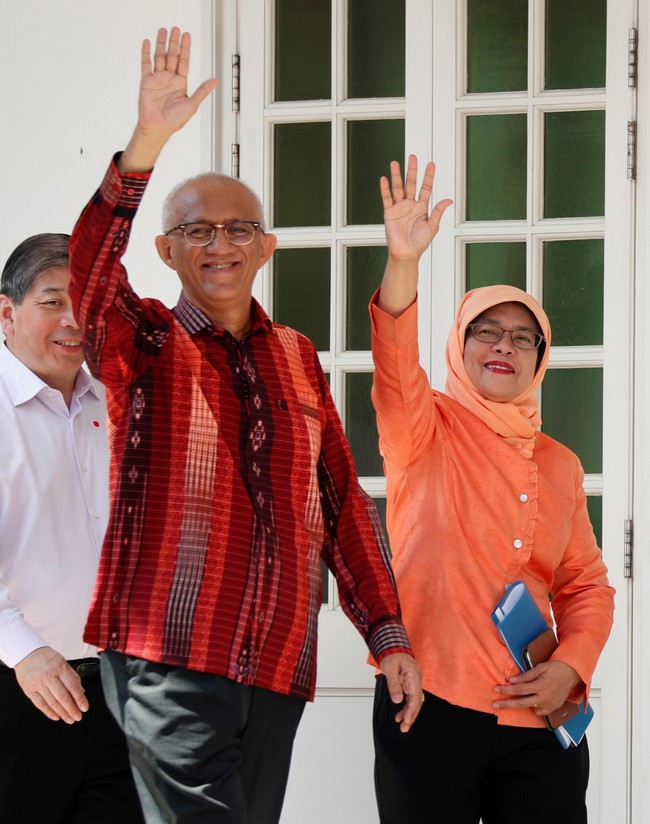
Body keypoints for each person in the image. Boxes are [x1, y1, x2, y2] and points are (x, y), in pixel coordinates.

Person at [68, 27, 422, 824]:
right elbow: (87, 281)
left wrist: (388, 632)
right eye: (198, 230)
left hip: (276, 665)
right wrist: (146, 143)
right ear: (166, 248)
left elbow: (340, 506)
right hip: (172, 654)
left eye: (237, 230)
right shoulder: (145, 340)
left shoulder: (296, 356)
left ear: (266, 246)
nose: (220, 244)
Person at [369, 156, 615, 824]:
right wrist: (403, 263)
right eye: (486, 330)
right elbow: (394, 365)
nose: (503, 346)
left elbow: (586, 585)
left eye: (522, 337)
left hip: (539, 712)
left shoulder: (560, 462)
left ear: (541, 359)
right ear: (460, 344)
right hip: (429, 699)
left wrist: (572, 665)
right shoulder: (423, 429)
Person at [0, 233, 144, 823]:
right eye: (53, 301)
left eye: (86, 303)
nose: (74, 321)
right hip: (18, 689)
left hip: (117, 689)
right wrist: (25, 652)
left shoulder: (113, 405)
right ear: (6, 313)